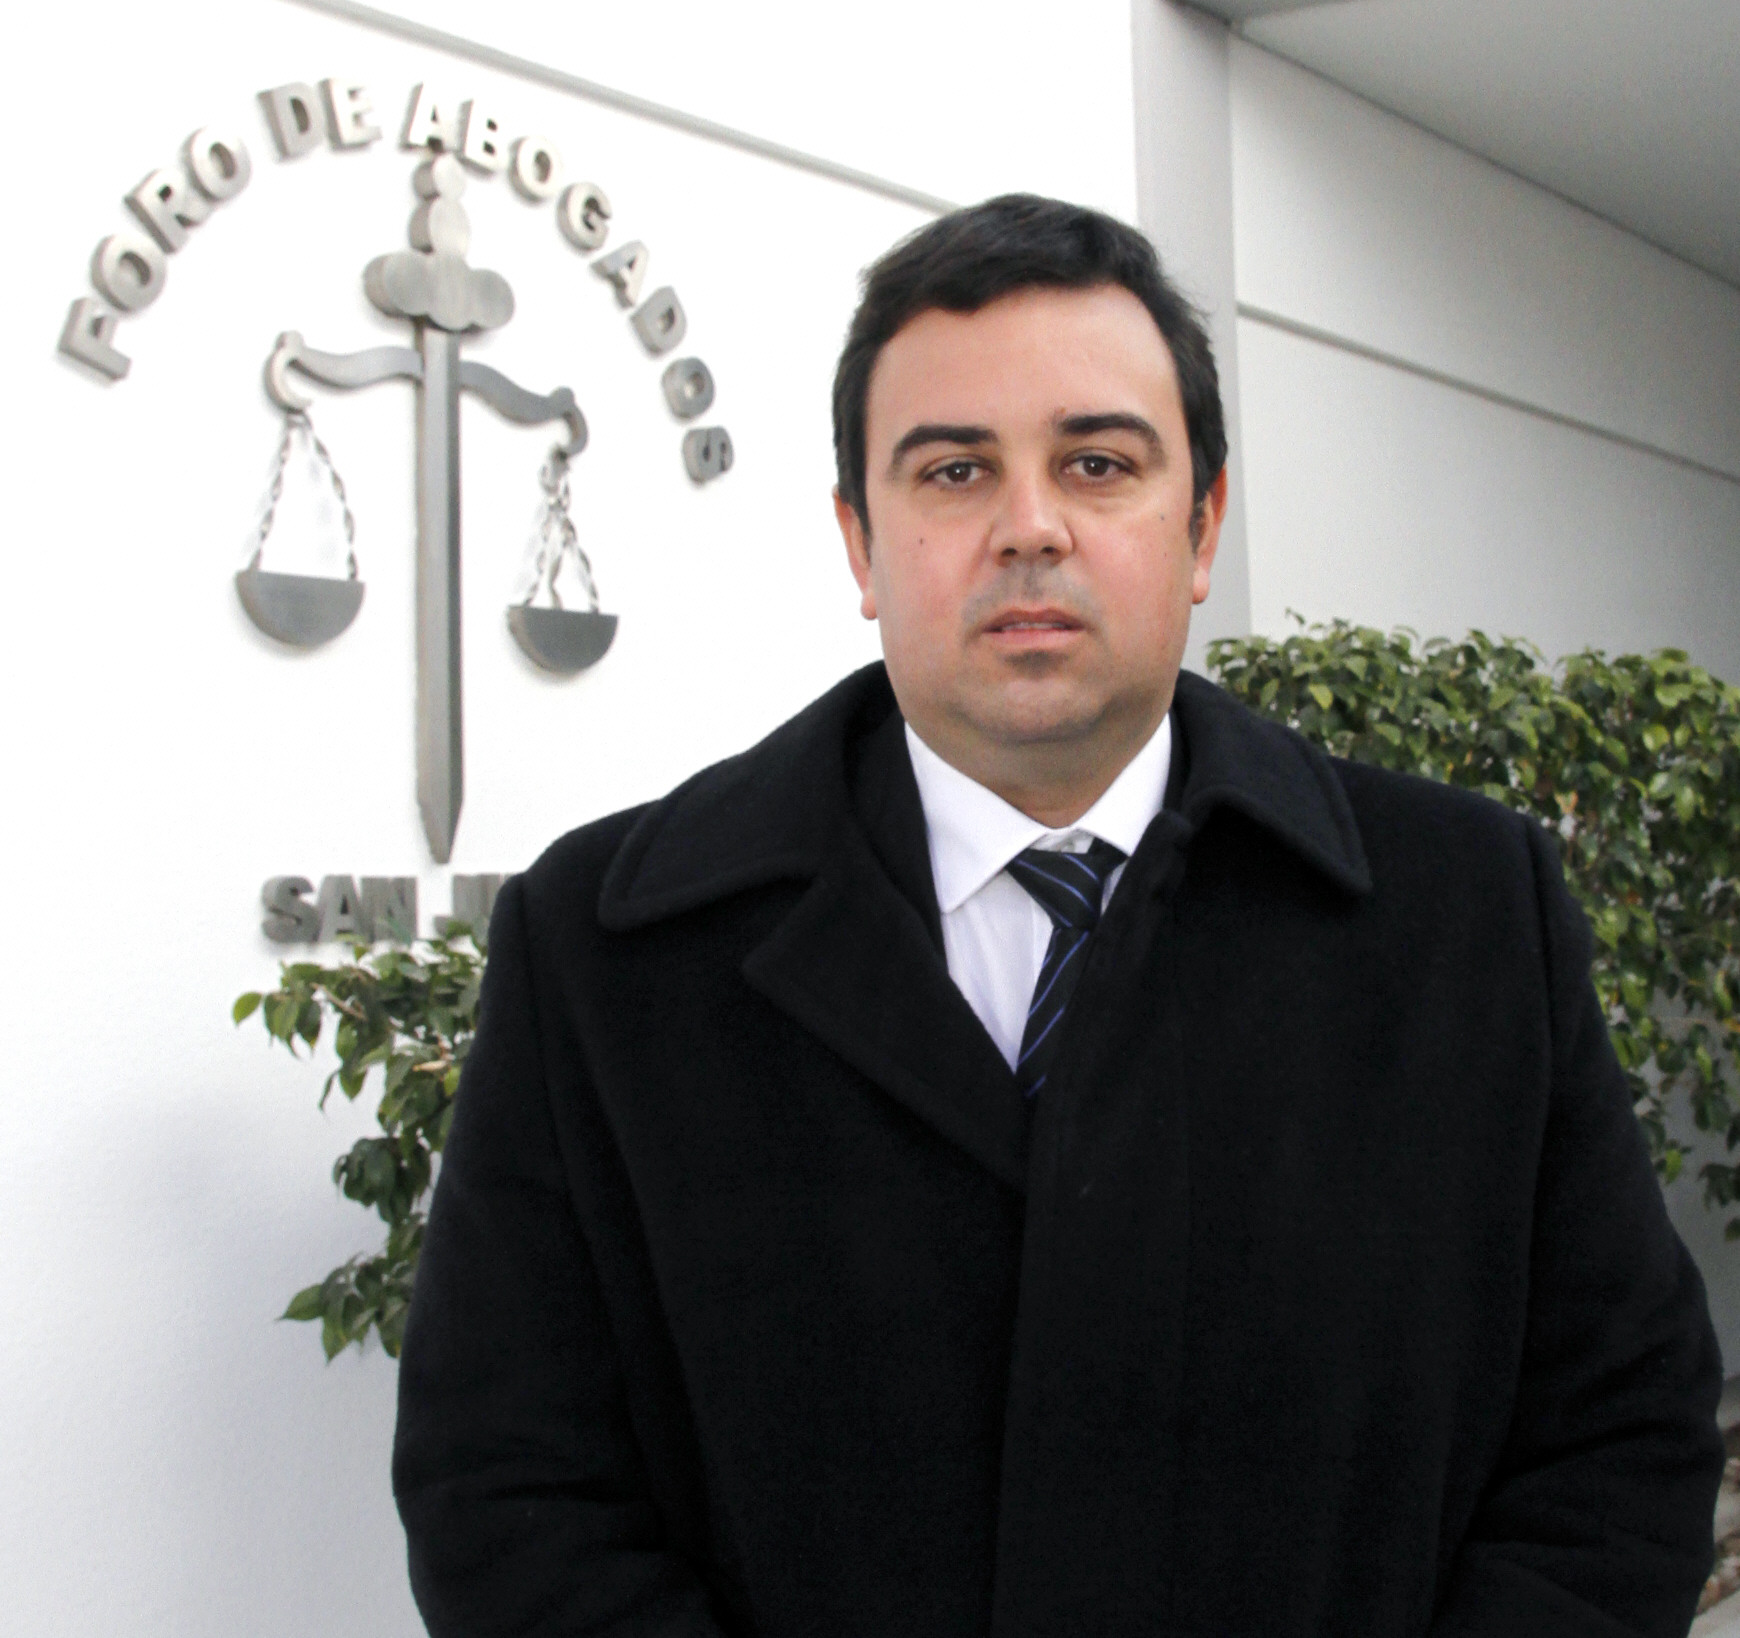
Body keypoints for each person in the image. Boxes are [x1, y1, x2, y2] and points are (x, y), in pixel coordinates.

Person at [392, 194, 1723, 1638]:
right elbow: (510, 1495)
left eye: (1098, 463)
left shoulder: (1466, 919)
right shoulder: (606, 955)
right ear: (860, 545)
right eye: (955, 470)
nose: (1030, 528)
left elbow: (1616, 1435)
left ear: (1201, 527)